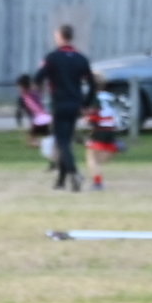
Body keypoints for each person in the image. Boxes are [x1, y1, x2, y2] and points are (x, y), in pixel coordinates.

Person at [38, 24, 94, 193]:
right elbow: (92, 84)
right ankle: (61, 181)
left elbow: (38, 77)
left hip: (60, 104)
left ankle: (74, 173)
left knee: (62, 142)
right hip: (75, 105)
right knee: (66, 142)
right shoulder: (81, 58)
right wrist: (86, 104)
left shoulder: (52, 58)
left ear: (60, 36)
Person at [82, 80, 127, 191]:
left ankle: (98, 184)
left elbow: (93, 114)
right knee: (100, 159)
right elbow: (117, 112)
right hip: (111, 128)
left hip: (100, 129)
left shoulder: (94, 98)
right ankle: (115, 147)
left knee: (91, 158)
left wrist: (89, 121)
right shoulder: (110, 97)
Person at [15, 73, 54, 168]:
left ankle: (54, 155)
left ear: (21, 86)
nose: (17, 88)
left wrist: (19, 124)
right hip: (47, 118)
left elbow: (18, 112)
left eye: (18, 86)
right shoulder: (35, 93)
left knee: (32, 142)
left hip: (39, 120)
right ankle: (54, 161)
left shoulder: (22, 97)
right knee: (46, 140)